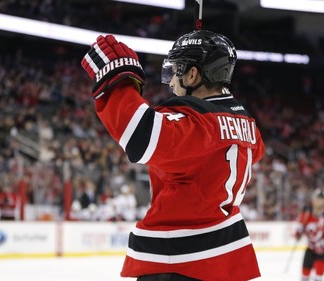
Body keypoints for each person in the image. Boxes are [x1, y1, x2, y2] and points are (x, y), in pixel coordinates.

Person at [81, 29, 265, 281]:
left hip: (181, 261)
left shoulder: (199, 126)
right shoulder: (249, 127)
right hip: (226, 260)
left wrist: (119, 79)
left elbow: (140, 135)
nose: (171, 79)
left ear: (192, 74)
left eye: (177, 69)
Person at [295, 188, 324, 281]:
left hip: (322, 252)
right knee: (304, 276)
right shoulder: (306, 214)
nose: (315, 201)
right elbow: (298, 231)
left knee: (318, 277)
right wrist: (298, 233)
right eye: (314, 198)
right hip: (310, 250)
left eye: (318, 199)